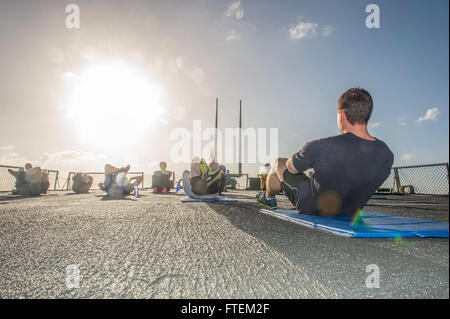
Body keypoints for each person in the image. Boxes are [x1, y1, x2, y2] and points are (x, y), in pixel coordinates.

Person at [257, 88, 394, 216]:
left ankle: (268, 198)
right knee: (312, 174)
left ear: (341, 114)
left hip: (311, 207)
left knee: (278, 163)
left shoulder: (320, 146)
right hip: (350, 210)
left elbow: (291, 169)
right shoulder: (386, 154)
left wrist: (293, 158)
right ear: (367, 114)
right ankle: (270, 194)